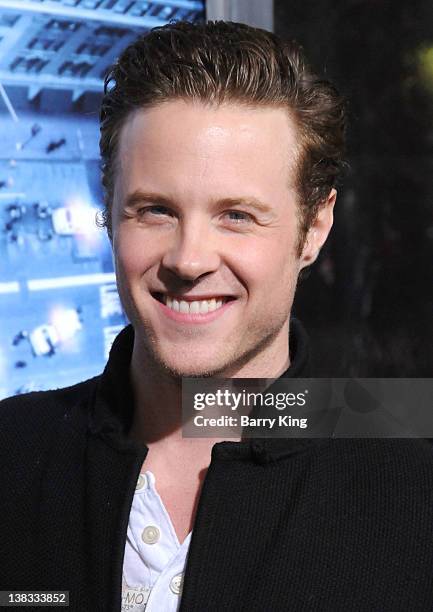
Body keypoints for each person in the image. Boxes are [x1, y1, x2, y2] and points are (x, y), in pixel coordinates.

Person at [1, 20, 433, 612]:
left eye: (237, 215)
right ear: (108, 215)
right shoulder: (14, 450)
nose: (188, 260)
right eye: (155, 210)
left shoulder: (410, 481)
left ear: (315, 228)